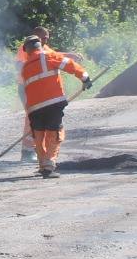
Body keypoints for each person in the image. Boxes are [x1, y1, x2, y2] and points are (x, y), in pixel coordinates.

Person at [20, 26, 92, 179]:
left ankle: (43, 165)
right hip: (52, 104)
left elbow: (25, 90)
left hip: (34, 109)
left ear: (27, 50)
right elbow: (70, 65)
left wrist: (29, 110)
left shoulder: (25, 67)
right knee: (54, 133)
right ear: (39, 45)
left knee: (39, 136)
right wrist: (85, 78)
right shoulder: (48, 56)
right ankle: (49, 166)